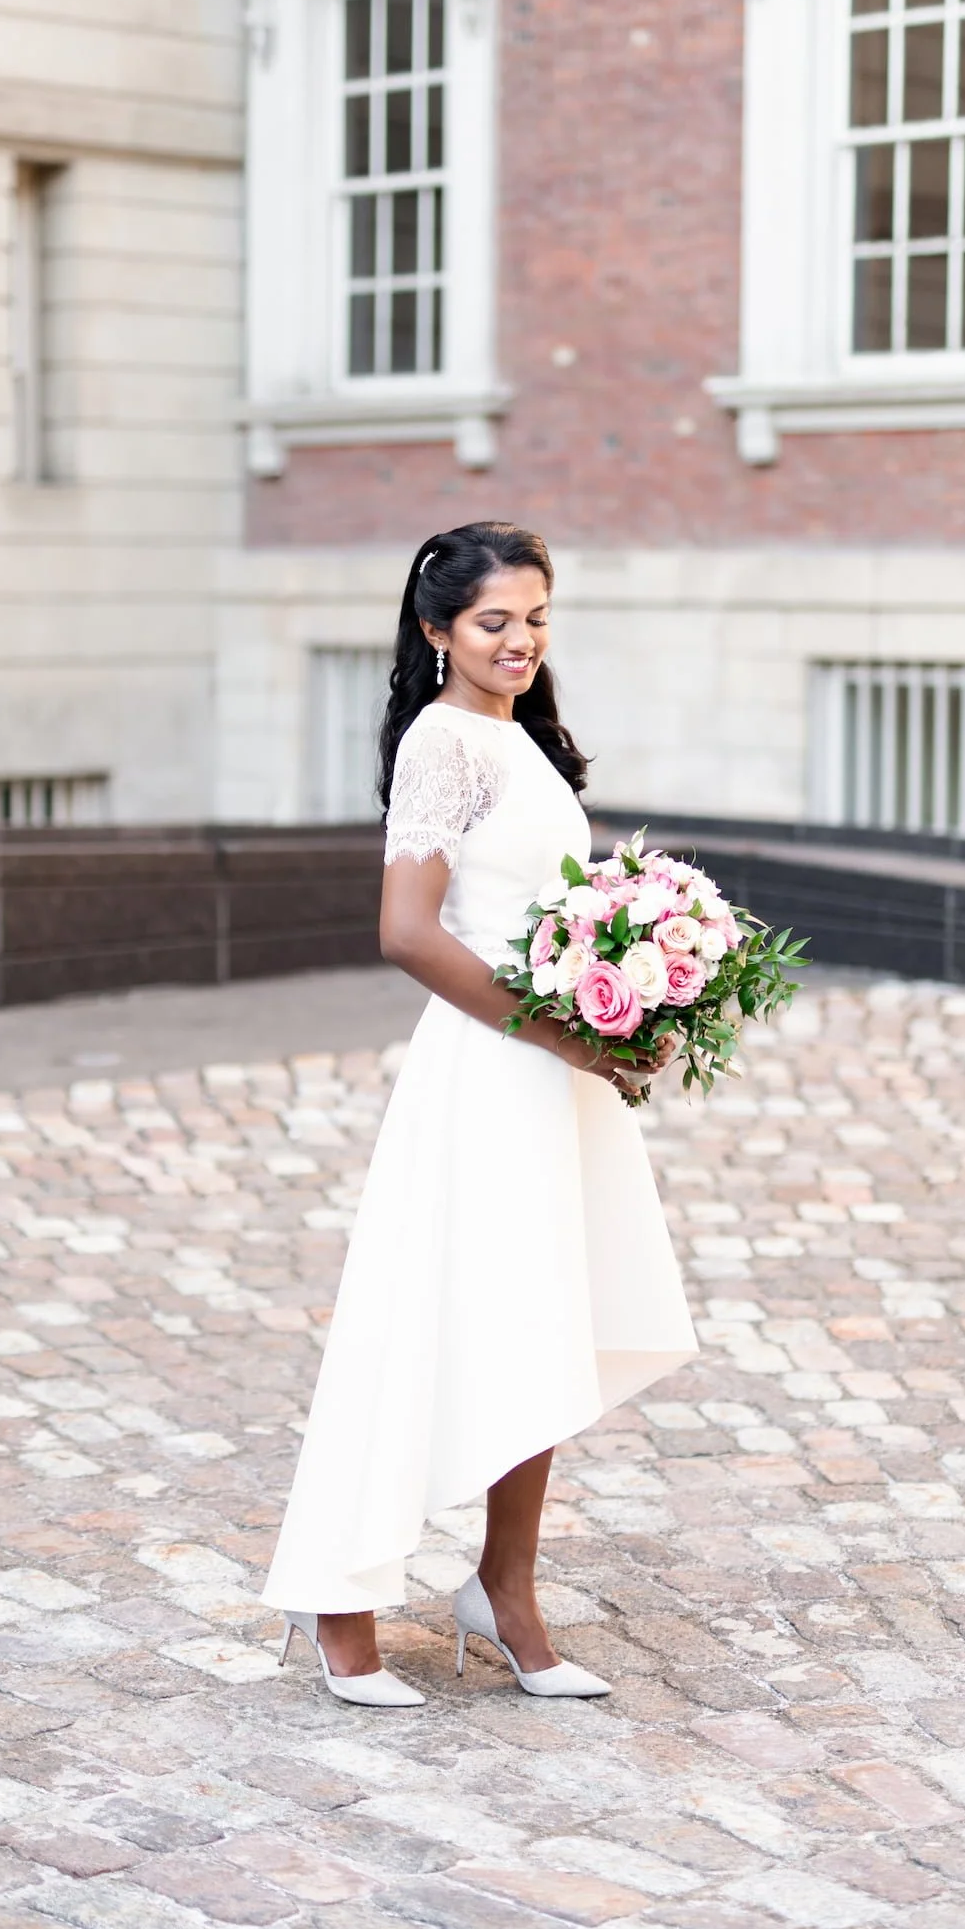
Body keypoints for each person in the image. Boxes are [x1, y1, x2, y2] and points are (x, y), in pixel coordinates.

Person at [262, 522, 697, 1705]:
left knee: (542, 1321)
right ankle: (338, 1597)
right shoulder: (442, 744)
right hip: (489, 1065)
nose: (518, 640)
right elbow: (406, 932)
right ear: (435, 629)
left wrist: (631, 996)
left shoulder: (522, 741)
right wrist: (562, 1031)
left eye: (536, 618)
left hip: (553, 1073)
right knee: (429, 1313)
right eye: (493, 621)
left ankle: (503, 1590)